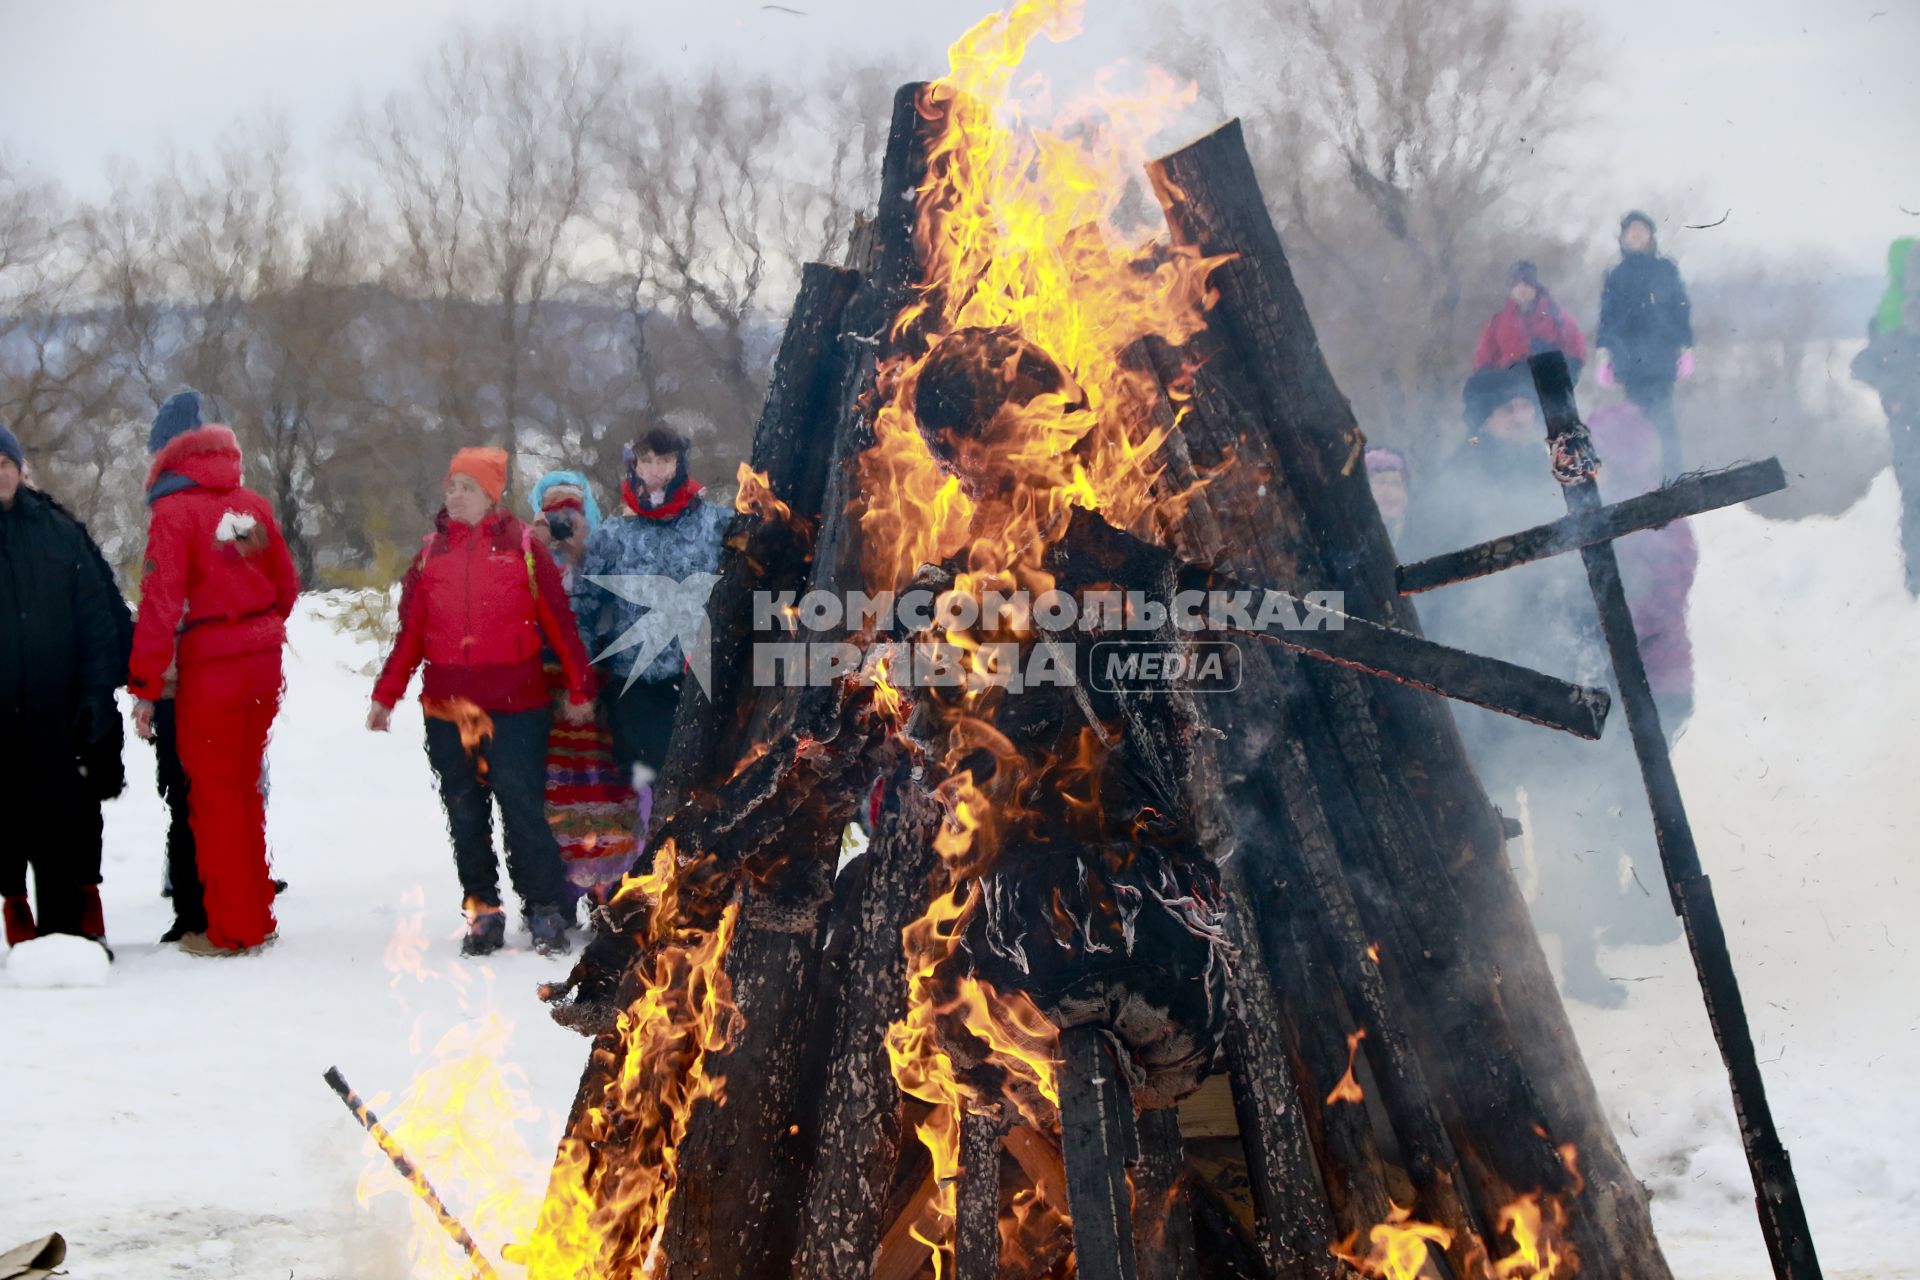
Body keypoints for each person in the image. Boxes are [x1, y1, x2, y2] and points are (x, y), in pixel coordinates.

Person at [1408, 366, 1666, 1007]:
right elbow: (1428, 595)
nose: (1521, 416)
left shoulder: (1559, 478)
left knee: (1575, 830)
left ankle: (1580, 960)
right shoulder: (1449, 488)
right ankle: (1506, 981)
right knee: (1491, 839)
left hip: (1560, 679)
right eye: (1506, 409)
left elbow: (1598, 566)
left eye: (1527, 406)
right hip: (1486, 692)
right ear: (1481, 421)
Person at [370, 448, 598, 956]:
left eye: (466, 487)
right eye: (451, 486)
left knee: (524, 810)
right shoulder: (431, 554)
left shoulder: (522, 548)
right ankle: (483, 912)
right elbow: (411, 634)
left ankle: (543, 908)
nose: (454, 495)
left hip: (517, 706)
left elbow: (559, 624)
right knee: (464, 812)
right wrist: (386, 696)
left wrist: (580, 687)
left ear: (491, 493)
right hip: (448, 709)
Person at [127, 389, 300, 956]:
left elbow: (159, 605)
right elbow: (286, 584)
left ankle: (231, 928)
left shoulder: (173, 513)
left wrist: (148, 685)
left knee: (215, 797)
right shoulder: (249, 506)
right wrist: (259, 626)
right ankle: (256, 913)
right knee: (247, 789)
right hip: (261, 662)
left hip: (210, 666)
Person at [0, 423, 132, 951]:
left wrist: (98, 693)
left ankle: (69, 928)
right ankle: (16, 905)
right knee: (7, 816)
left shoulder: (58, 531)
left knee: (64, 816)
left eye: (4, 464)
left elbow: (96, 617)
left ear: (18, 469)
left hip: (57, 707)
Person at [571, 426, 728, 833]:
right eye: (646, 461)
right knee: (648, 787)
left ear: (680, 464)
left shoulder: (713, 524)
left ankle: (696, 876)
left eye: (664, 460)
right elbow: (584, 605)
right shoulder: (615, 533)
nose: (655, 470)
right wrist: (580, 678)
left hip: (701, 678)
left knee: (704, 783)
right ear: (634, 467)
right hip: (636, 683)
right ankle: (648, 875)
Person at [528, 470, 640, 905]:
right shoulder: (526, 554)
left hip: (599, 684)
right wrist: (537, 552)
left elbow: (620, 613)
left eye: (570, 511)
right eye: (552, 511)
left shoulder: (602, 554)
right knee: (556, 791)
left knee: (605, 786)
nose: (562, 521)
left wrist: (581, 557)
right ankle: (560, 888)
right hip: (546, 687)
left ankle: (607, 884)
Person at [1588, 402, 1699, 738]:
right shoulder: (1602, 506)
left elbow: (1661, 602)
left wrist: (1598, 627)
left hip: (1653, 682)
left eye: (1595, 455)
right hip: (1627, 680)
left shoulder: (1657, 516)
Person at [1596, 211, 1695, 478]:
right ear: (1624, 238)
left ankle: (1672, 477)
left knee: (1663, 417)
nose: (1637, 236)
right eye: (1632, 232)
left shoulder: (1665, 269)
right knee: (1635, 419)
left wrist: (1685, 345)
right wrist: (1606, 353)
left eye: (1642, 231)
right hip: (1629, 359)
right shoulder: (1616, 274)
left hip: (1661, 355)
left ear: (1651, 236)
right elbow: (1608, 315)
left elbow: (1680, 306)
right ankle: (1640, 476)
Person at [1851, 236, 1920, 596]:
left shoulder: (1892, 319)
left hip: (1906, 420)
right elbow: (1861, 365)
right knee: (1917, 497)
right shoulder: (1894, 329)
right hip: (1909, 423)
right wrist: (1893, 392)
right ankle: (1918, 579)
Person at [1473, 260, 1587, 380]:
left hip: (1549, 380)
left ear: (1535, 287)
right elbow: (1484, 357)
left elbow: (1575, 347)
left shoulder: (1556, 315)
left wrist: (1569, 371)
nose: (1522, 289)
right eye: (1516, 284)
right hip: (1510, 381)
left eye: (1527, 283)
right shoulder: (1498, 322)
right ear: (1511, 289)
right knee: (1474, 386)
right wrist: (1485, 376)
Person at [1363, 446, 1411, 545]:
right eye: (1380, 482)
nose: (1390, 492)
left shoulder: (1421, 533)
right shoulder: (1349, 532)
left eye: (1395, 483)